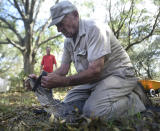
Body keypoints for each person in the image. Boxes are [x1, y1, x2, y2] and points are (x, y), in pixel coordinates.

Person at [26, 1, 148, 121]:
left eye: (61, 23)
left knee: (94, 113)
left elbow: (95, 70)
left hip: (120, 75)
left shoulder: (95, 28)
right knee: (67, 106)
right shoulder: (68, 41)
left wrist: (63, 82)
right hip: (93, 81)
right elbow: (63, 70)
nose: (59, 30)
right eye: (57, 26)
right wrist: (41, 80)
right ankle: (100, 98)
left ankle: (135, 99)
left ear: (75, 14)